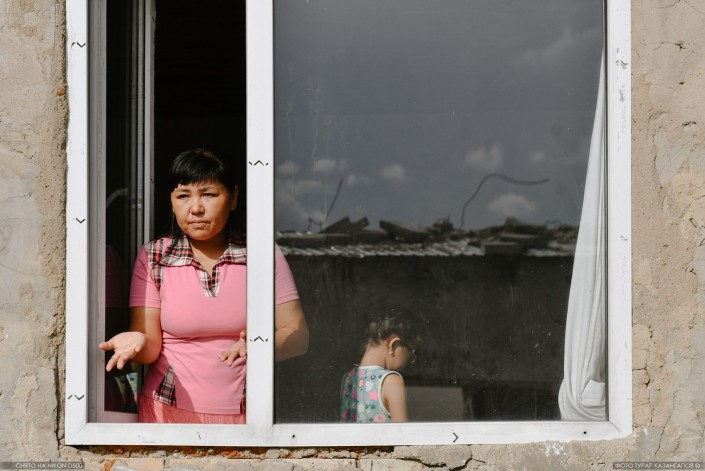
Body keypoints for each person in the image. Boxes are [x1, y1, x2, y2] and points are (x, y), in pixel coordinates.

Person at [99, 147, 309, 424]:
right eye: (183, 196)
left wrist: (261, 344)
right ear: (171, 202)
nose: (196, 208)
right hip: (166, 416)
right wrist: (139, 341)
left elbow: (298, 336)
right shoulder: (154, 256)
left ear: (233, 198)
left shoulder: (262, 254)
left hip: (250, 418)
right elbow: (151, 346)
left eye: (208, 194)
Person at [340, 310, 421, 423]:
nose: (410, 360)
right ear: (394, 344)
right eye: (412, 352)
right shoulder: (391, 381)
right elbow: (402, 431)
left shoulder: (349, 378)